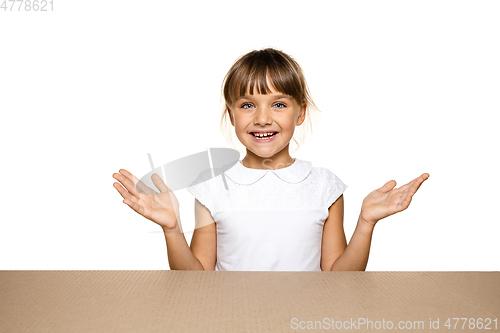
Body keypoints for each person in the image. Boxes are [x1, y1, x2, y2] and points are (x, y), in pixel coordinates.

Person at [112, 48, 429, 271]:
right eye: (248, 105)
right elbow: (197, 280)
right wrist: (172, 229)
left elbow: (339, 278)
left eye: (278, 105)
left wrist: (365, 223)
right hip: (233, 319)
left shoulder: (325, 187)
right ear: (231, 114)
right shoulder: (211, 190)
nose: (262, 119)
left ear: (300, 112)